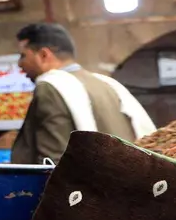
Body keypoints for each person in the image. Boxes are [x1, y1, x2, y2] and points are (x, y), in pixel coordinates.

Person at [12, 22, 157, 164]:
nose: (20, 64)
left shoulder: (50, 86)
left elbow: (53, 162)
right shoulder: (105, 83)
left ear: (44, 55)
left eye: (23, 55)